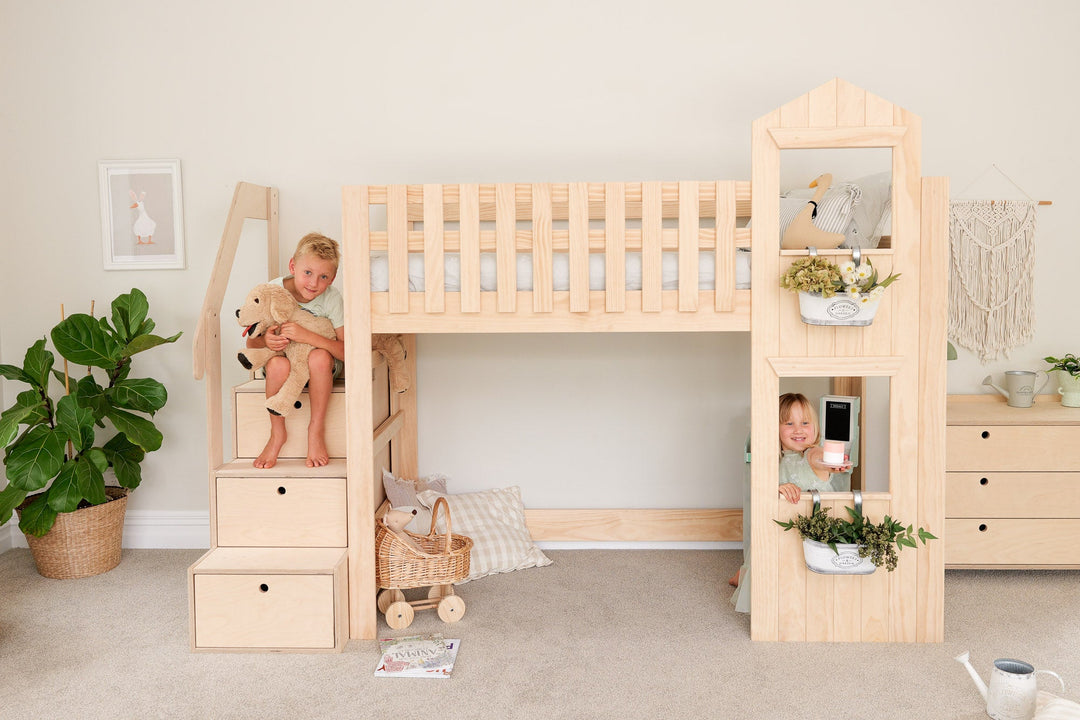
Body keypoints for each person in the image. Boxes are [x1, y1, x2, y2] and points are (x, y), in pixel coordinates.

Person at [729, 393, 852, 611]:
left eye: (805, 423)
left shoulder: (812, 454)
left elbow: (819, 458)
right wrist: (775, 488)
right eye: (789, 423)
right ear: (774, 428)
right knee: (763, 560)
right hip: (783, 533)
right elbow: (760, 487)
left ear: (814, 427)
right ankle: (745, 573)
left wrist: (830, 463)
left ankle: (746, 573)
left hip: (815, 531)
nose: (798, 429)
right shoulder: (775, 459)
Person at [248, 232, 345, 469]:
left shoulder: (332, 299)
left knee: (320, 357)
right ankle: (277, 433)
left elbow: (347, 352)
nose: (314, 283)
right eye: (308, 273)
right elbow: (252, 344)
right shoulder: (272, 290)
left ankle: (315, 430)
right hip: (284, 363)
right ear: (293, 266)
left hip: (319, 369)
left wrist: (307, 336)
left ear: (332, 279)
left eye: (324, 277)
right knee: (276, 364)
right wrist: (267, 341)